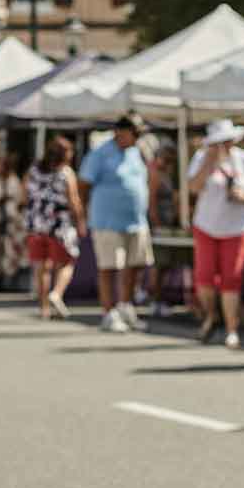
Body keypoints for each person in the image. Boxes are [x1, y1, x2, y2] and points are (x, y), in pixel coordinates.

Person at [187, 119, 244, 349]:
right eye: (220, 142)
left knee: (232, 278)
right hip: (206, 226)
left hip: (237, 227)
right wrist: (209, 164)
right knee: (204, 277)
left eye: (227, 141)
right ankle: (211, 316)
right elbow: (192, 188)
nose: (224, 146)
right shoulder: (201, 158)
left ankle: (232, 329)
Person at [80, 114, 154, 334]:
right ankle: (108, 312)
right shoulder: (100, 154)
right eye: (136, 133)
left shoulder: (136, 153)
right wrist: (83, 215)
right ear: (120, 132)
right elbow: (83, 185)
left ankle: (125, 307)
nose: (138, 138)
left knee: (135, 265)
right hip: (107, 221)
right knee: (109, 267)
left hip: (136, 221)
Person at [24, 136, 85, 320]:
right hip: (58, 225)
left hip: (36, 224)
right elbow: (74, 201)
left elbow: (23, 191)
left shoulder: (33, 170)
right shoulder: (66, 173)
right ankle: (56, 293)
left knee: (42, 267)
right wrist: (81, 221)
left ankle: (44, 308)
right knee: (67, 261)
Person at [0, 152, 29, 287]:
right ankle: (0, 278)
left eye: (0, 165)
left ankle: (9, 281)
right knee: (1, 250)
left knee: (10, 251)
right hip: (0, 221)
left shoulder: (12, 181)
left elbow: (11, 198)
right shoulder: (1, 180)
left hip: (11, 221)